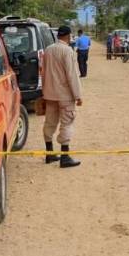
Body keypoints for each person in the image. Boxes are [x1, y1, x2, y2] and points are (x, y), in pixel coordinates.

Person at [42, 25, 82, 168]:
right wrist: (78, 95)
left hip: (50, 93)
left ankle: (49, 153)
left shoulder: (48, 50)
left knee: (50, 122)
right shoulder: (67, 51)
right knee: (67, 123)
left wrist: (44, 92)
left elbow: (43, 72)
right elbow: (72, 76)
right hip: (65, 95)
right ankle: (65, 158)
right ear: (68, 36)